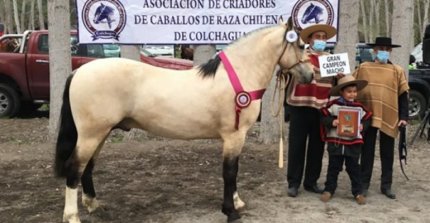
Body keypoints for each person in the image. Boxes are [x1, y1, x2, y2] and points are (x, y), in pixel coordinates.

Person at [353, 37, 409, 199]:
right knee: (367, 151)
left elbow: (403, 95)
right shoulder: (363, 67)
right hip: (368, 114)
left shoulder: (397, 70)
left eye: (387, 48)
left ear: (390, 51)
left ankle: (386, 185)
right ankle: (364, 184)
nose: (383, 51)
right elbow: (352, 86)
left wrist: (403, 116)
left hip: (389, 115)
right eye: (380, 48)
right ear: (374, 50)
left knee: (387, 152)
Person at [285, 24, 337, 197]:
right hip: (299, 106)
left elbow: (342, 82)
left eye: (324, 37)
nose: (321, 40)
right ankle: (293, 183)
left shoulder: (331, 59)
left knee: (317, 147)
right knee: (296, 146)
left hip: (321, 109)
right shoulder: (300, 55)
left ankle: (311, 182)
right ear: (309, 39)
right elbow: (285, 70)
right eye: (318, 36)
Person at [319, 75, 372, 205]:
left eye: (354, 91)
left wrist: (362, 126)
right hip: (336, 142)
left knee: (354, 168)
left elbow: (368, 120)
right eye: (349, 91)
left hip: (353, 144)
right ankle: (328, 190)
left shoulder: (360, 108)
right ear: (342, 92)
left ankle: (358, 192)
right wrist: (333, 121)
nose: (352, 94)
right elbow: (323, 118)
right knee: (333, 167)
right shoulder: (332, 106)